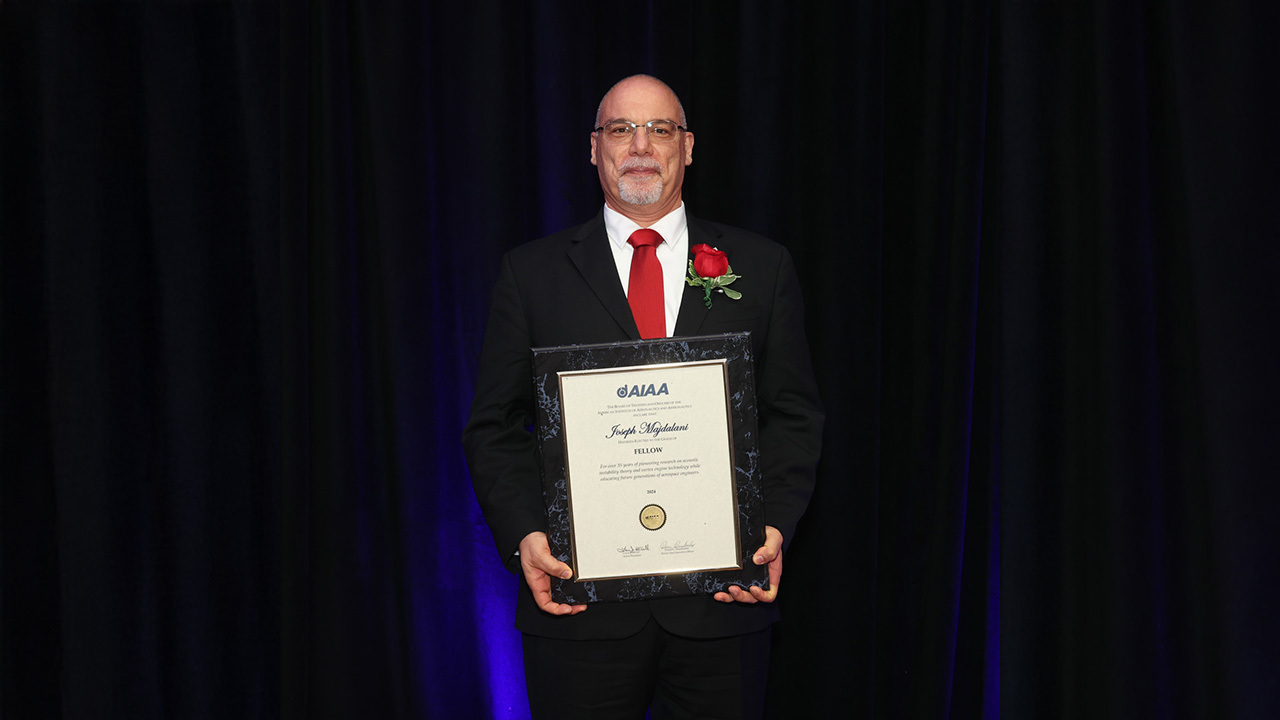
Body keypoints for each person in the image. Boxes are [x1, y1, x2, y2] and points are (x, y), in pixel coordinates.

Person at [463, 74, 823, 719]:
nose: (640, 146)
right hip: (579, 606)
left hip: (722, 603)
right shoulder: (531, 273)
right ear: (593, 148)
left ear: (688, 148)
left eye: (660, 129)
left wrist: (770, 528)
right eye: (620, 129)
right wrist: (524, 535)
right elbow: (493, 425)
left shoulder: (762, 267)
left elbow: (793, 414)